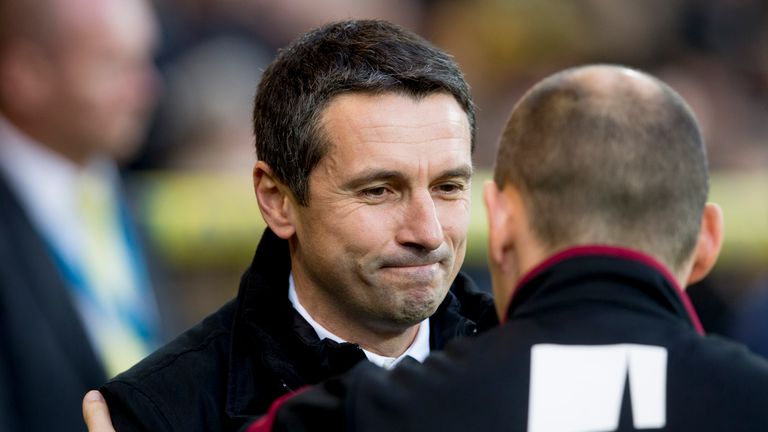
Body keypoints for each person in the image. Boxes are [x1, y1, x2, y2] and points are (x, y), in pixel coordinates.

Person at [238, 65, 768, 431]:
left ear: (502, 221)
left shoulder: (350, 417)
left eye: (447, 187)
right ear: (706, 243)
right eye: (379, 190)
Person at [95, 19, 497, 431]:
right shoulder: (159, 412)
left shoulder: (541, 365)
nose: (428, 233)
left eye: (448, 187)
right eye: (379, 191)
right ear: (277, 201)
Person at [0, 0, 163, 430]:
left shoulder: (121, 194)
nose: (146, 89)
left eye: (145, 59)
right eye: (113, 66)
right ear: (25, 75)